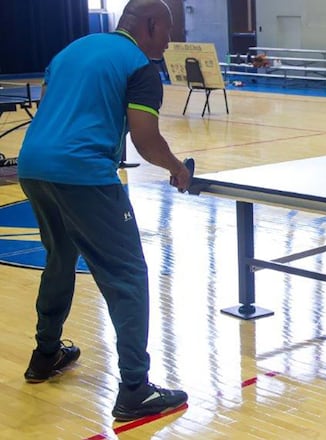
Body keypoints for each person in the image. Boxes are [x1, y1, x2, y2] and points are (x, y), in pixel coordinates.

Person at [16, 0, 190, 421]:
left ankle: (45, 355)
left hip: (34, 166)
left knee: (60, 259)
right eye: (167, 31)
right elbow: (147, 141)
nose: (170, 41)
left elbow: (58, 112)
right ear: (149, 25)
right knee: (128, 275)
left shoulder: (72, 49)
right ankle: (134, 389)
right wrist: (178, 168)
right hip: (84, 175)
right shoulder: (140, 67)